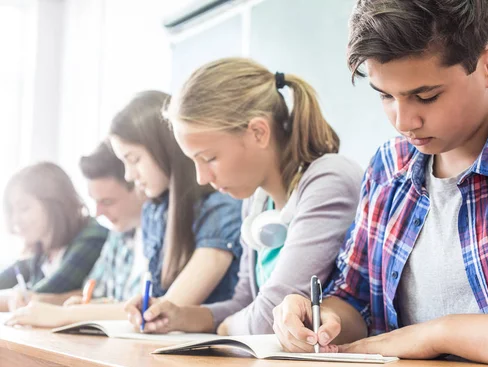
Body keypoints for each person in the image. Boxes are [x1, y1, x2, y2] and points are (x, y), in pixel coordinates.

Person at [272, 1, 488, 367]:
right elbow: (355, 301)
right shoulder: (388, 167)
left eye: (425, 96)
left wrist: (440, 334)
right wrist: (319, 317)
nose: (403, 120)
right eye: (385, 96)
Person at [124, 58, 363, 335]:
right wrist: (177, 316)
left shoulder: (329, 180)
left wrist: (226, 328)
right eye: (194, 162)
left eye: (210, 158)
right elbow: (244, 302)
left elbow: (267, 317)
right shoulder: (256, 200)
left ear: (259, 132)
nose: (202, 178)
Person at [109, 90, 243, 320]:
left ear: (165, 148)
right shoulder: (154, 211)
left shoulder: (220, 210)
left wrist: (63, 315)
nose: (129, 176)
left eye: (134, 160)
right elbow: (148, 301)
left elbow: (163, 309)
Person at [6, 141, 147, 327]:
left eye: (108, 201)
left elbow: (150, 308)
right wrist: (79, 305)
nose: (98, 212)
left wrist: (70, 312)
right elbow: (91, 292)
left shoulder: (93, 237)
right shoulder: (118, 236)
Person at [0, 162, 108, 312]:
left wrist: (15, 297)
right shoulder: (41, 253)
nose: (15, 220)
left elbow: (41, 296)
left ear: (54, 203)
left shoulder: (92, 238)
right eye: (12, 211)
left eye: (24, 208)